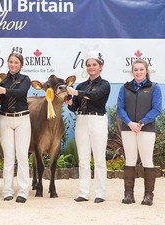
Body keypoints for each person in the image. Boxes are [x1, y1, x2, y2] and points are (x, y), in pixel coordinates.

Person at [66, 51, 110, 204]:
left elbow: (95, 97)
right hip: (82, 120)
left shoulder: (104, 85)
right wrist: (70, 102)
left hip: (97, 120)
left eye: (94, 65)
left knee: (99, 159)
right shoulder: (82, 85)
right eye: (89, 65)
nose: (91, 68)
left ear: (100, 67)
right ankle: (83, 192)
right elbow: (75, 107)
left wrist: (76, 92)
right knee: (83, 159)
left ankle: (100, 193)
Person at [117, 59, 162, 206]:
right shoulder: (125, 88)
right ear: (132, 71)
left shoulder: (154, 87)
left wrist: (141, 123)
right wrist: (130, 123)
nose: (138, 72)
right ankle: (128, 195)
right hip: (128, 128)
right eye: (135, 70)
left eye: (141, 69)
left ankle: (148, 196)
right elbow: (120, 108)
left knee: (147, 161)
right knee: (129, 160)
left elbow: (156, 109)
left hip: (146, 129)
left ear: (146, 71)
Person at [0, 47, 31, 203]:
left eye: (16, 62)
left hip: (22, 119)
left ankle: (23, 191)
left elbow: (20, 93)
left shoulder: (25, 79)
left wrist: (3, 91)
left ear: (21, 65)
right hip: (5, 119)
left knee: (22, 156)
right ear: (7, 63)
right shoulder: (2, 81)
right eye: (10, 62)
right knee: (8, 157)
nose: (13, 65)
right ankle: (7, 190)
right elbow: (0, 101)